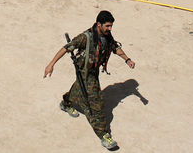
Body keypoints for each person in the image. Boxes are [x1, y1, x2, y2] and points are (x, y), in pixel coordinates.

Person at [44, 10, 135, 151]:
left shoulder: (106, 35)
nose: (110, 29)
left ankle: (66, 103)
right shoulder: (85, 38)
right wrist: (51, 64)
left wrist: (127, 60)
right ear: (99, 24)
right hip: (85, 72)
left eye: (111, 26)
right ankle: (104, 136)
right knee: (96, 103)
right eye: (108, 26)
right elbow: (66, 48)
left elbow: (114, 47)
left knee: (79, 89)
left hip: (94, 70)